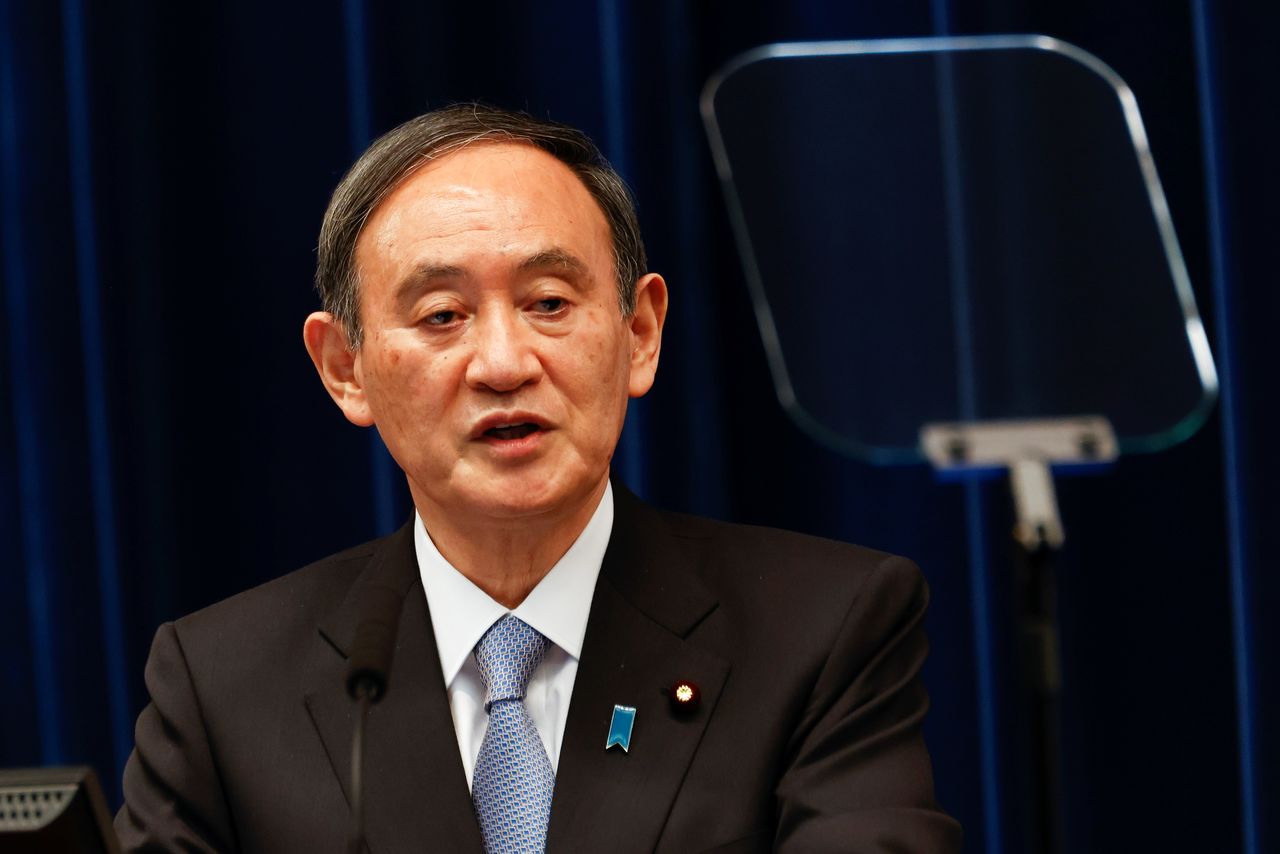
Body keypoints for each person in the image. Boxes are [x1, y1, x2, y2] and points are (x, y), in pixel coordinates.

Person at [115, 104, 961, 853]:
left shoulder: (821, 632)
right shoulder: (223, 686)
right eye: (442, 315)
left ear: (639, 333)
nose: (503, 363)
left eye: (549, 303)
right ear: (346, 368)